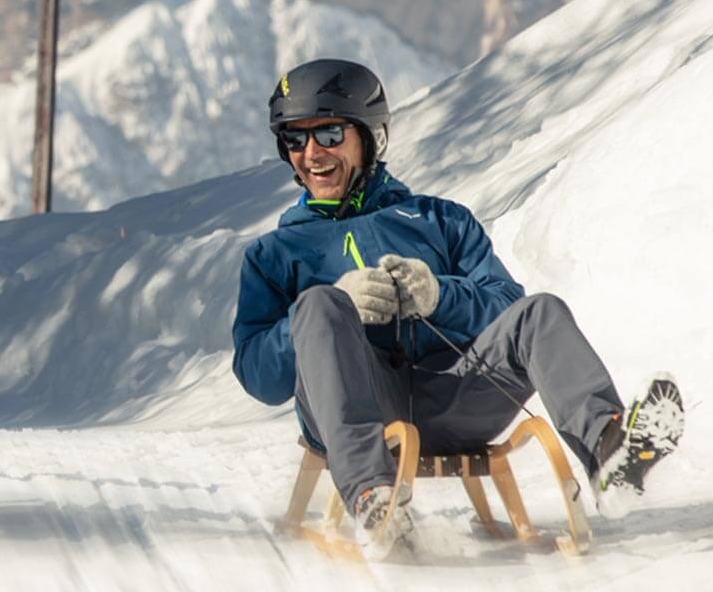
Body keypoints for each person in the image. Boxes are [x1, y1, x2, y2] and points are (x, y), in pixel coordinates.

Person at [231, 58, 684, 559]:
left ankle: (609, 452)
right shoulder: (274, 255)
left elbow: (505, 303)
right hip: (354, 414)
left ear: (369, 138)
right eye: (295, 140)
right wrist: (330, 311)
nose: (312, 154)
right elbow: (258, 376)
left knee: (540, 311)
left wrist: (439, 296)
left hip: (457, 397)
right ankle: (370, 495)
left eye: (330, 134)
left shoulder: (440, 221)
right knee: (318, 303)